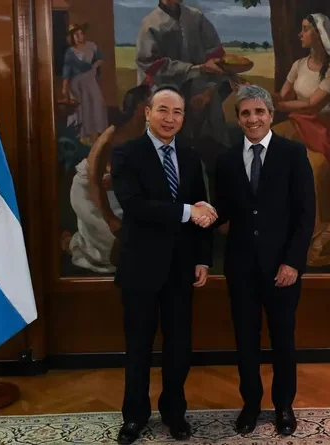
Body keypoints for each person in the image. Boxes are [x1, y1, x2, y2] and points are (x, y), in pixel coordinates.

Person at [110, 84, 217, 444]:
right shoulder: (126, 153)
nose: (170, 118)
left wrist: (202, 259)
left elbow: (202, 208)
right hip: (140, 267)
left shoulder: (189, 156)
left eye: (177, 112)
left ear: (184, 118)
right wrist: (188, 212)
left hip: (181, 269)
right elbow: (134, 205)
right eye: (163, 110)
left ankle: (175, 414)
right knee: (138, 347)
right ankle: (134, 416)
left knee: (178, 348)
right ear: (147, 113)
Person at [206, 85, 315, 436]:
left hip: (283, 269)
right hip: (241, 269)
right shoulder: (226, 160)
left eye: (259, 112)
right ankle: (250, 404)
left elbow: (305, 214)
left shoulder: (293, 153)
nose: (253, 119)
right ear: (238, 119)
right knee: (246, 341)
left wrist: (292, 262)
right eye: (245, 113)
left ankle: (284, 406)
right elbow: (224, 211)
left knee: (283, 339)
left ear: (270, 115)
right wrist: (201, 212)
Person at [270, 13, 330, 269]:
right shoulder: (299, 65)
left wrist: (279, 104)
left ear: (319, 34)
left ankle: (318, 230)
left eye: (305, 29)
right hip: (297, 123)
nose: (300, 34)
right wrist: (260, 95)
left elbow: (314, 105)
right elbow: (282, 97)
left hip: (326, 127)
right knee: (269, 147)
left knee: (315, 167)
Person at [135, 0, 234, 200]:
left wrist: (208, 93)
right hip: (169, 102)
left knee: (216, 157)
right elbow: (152, 67)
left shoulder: (196, 18)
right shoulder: (150, 24)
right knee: (173, 164)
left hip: (205, 102)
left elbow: (218, 59)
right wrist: (196, 69)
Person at [61, 84, 152, 274]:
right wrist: (109, 217)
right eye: (150, 102)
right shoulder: (111, 135)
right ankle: (71, 243)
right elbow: (94, 178)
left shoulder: (148, 134)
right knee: (109, 245)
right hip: (88, 191)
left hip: (115, 191)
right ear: (138, 106)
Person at [61, 24, 108, 143]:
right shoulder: (70, 52)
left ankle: (94, 141)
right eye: (75, 35)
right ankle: (80, 141)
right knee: (81, 110)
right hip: (77, 85)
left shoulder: (91, 46)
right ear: (71, 37)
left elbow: (100, 58)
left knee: (95, 106)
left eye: (80, 33)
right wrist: (64, 87)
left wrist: (95, 65)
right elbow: (66, 71)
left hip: (90, 81)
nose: (79, 36)